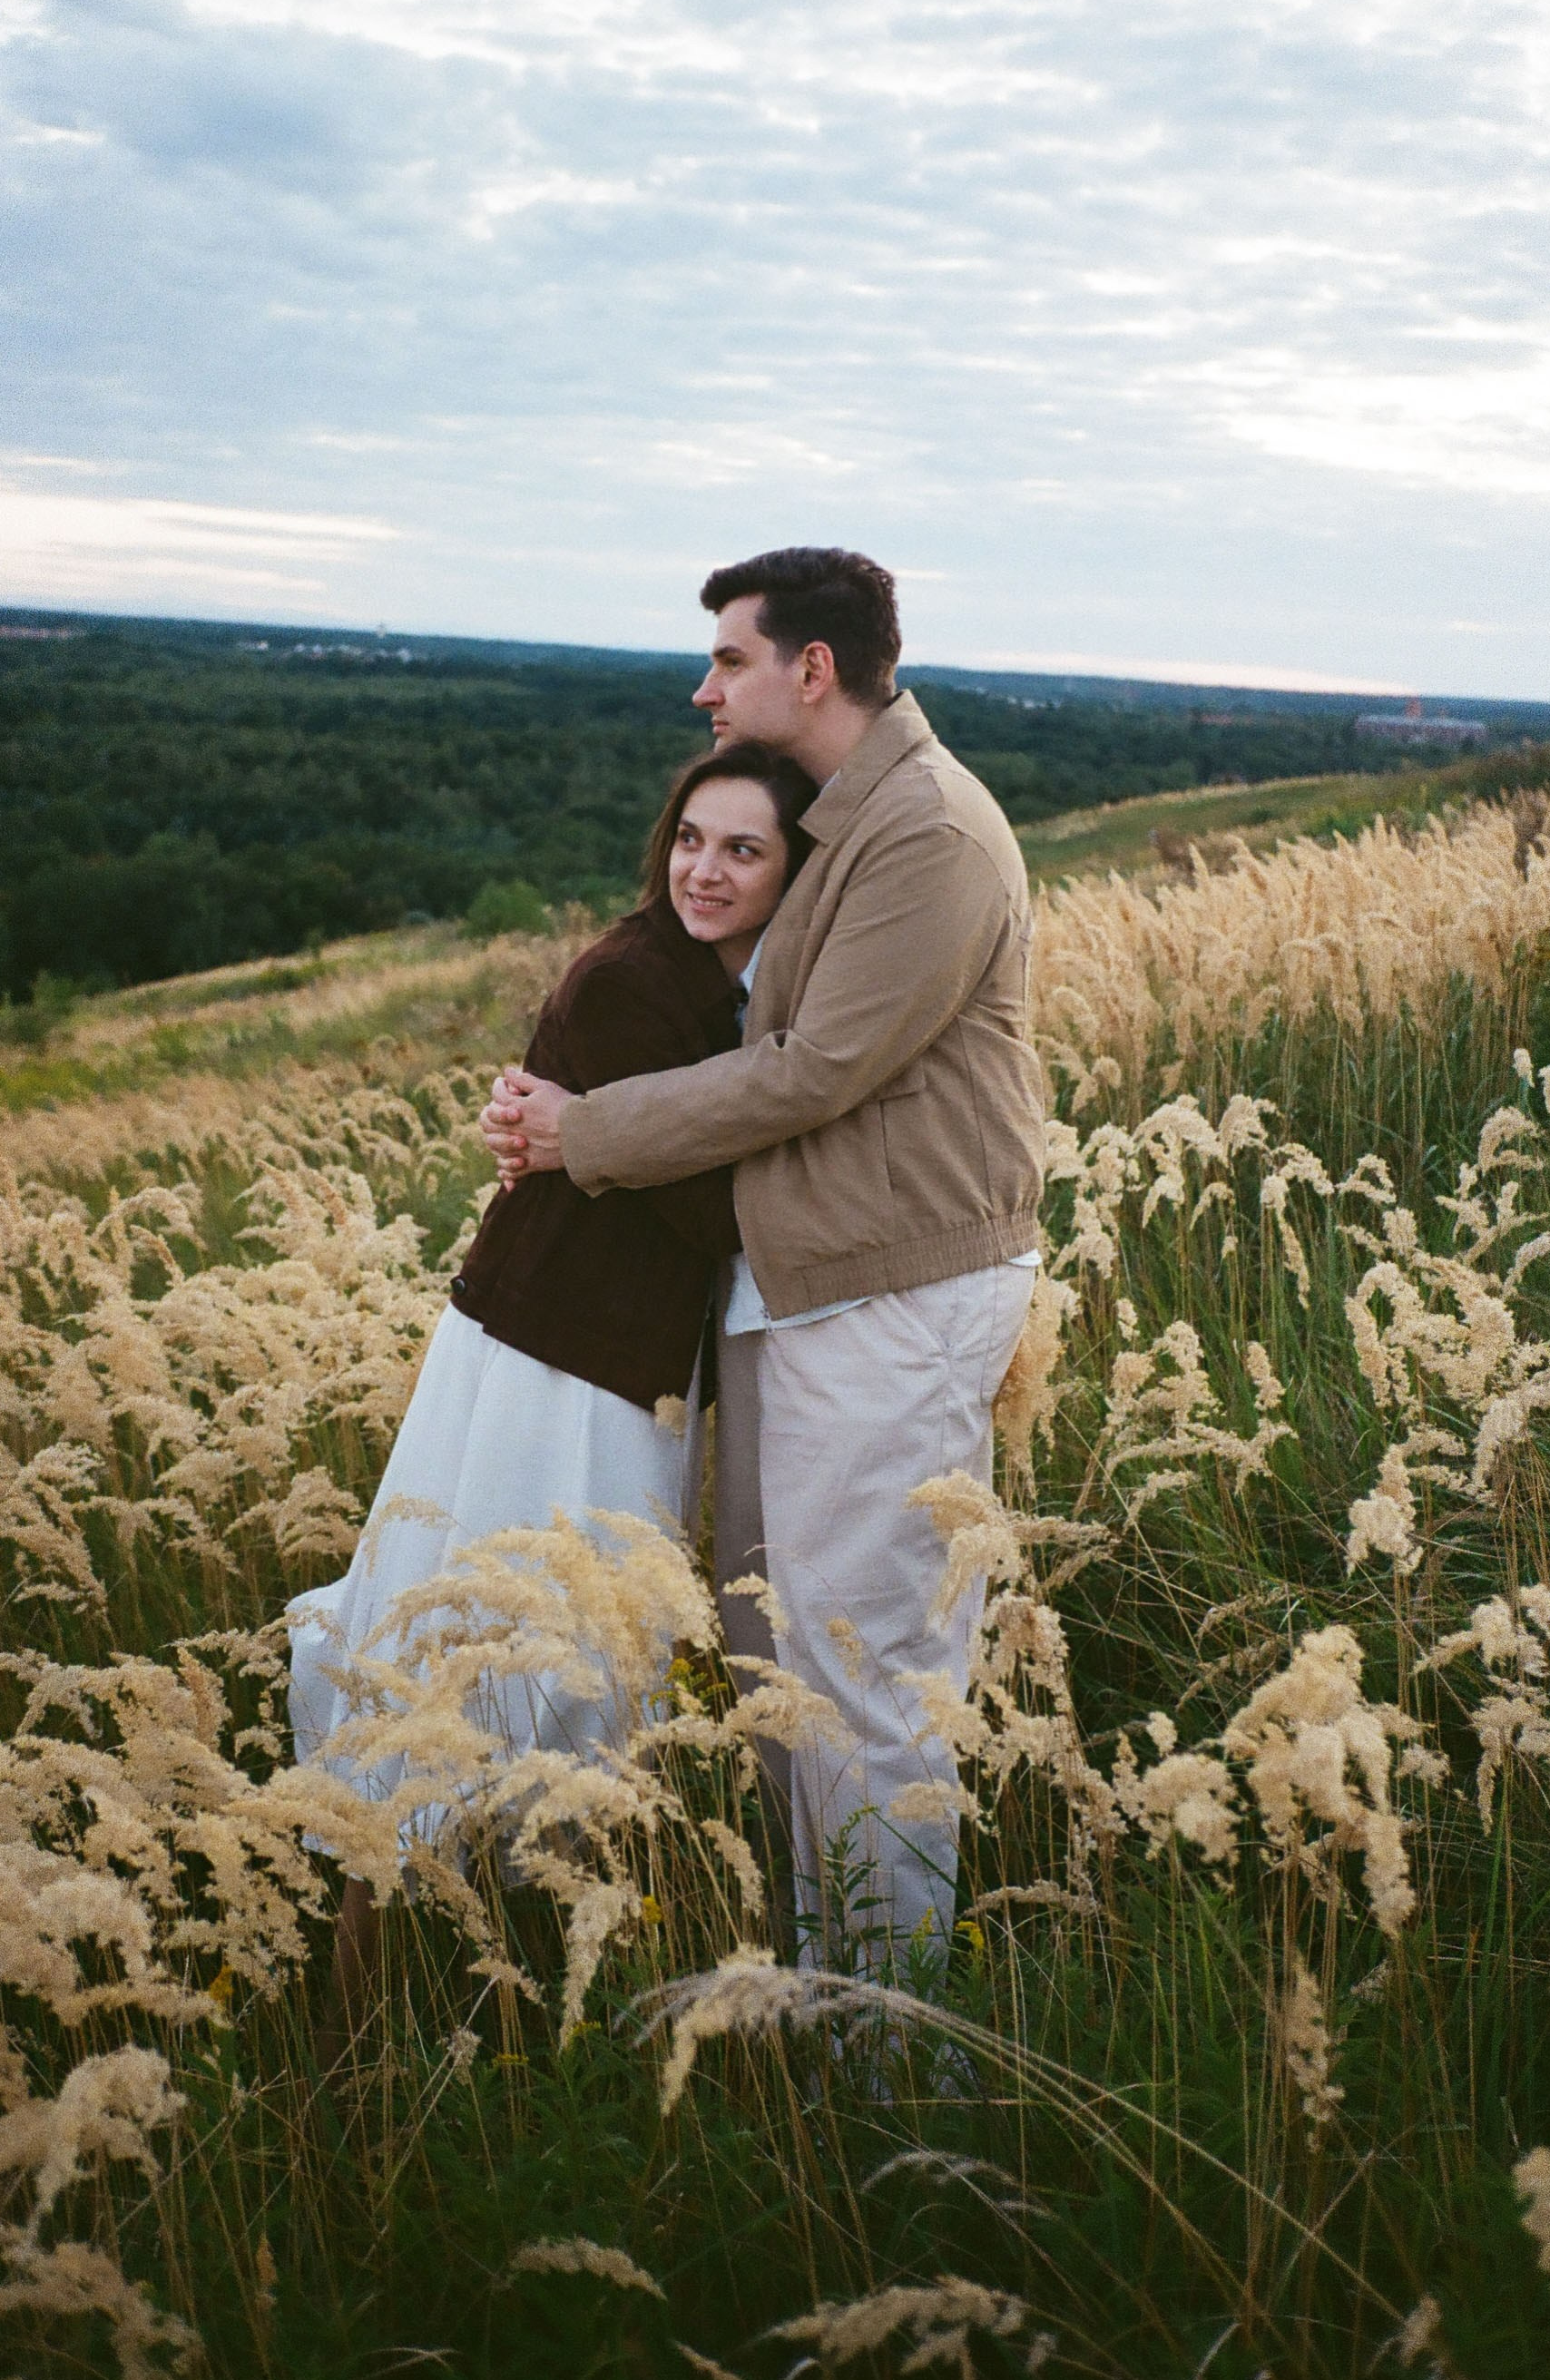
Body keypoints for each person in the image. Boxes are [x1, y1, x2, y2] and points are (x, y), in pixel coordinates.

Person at [485, 547, 1047, 1977]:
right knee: (780, 1663)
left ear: (811, 668)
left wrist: (585, 1132)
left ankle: (892, 2065)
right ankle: (821, 2003)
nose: (703, 687)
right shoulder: (843, 819)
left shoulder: (925, 830)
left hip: (894, 1297)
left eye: (728, 659)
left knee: (861, 1681)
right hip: (814, 1289)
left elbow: (814, 1070)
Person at [289, 739, 816, 2039]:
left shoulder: (725, 984)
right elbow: (707, 1203)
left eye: (742, 849)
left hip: (612, 1361)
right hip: (549, 1364)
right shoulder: (631, 985)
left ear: (793, 870)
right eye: (690, 839)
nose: (704, 868)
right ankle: (358, 2014)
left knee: (564, 1650)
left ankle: (523, 1990)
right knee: (466, 1645)